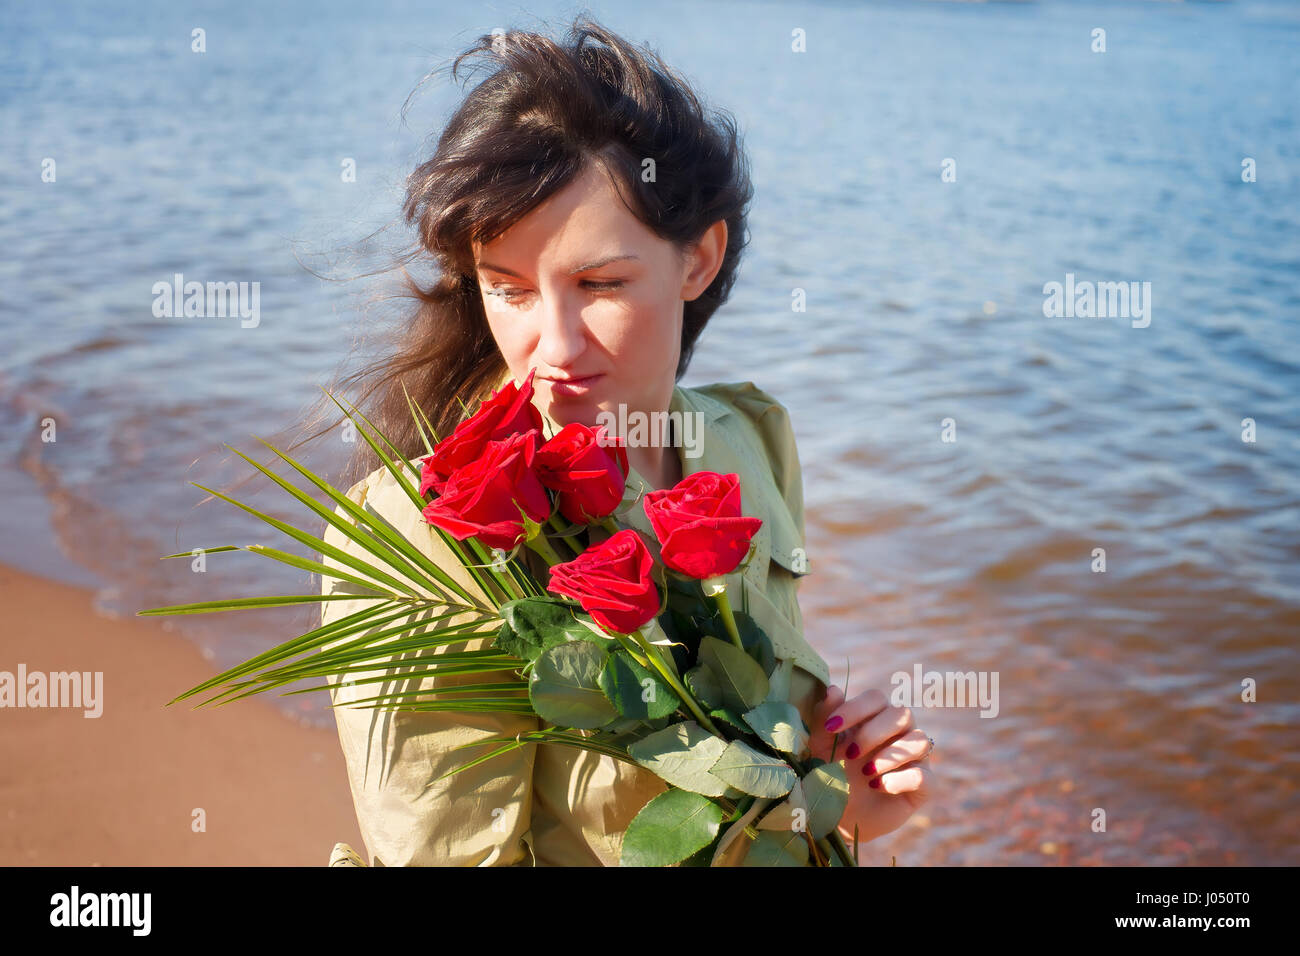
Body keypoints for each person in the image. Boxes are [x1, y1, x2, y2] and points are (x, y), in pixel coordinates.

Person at [316, 15, 932, 867]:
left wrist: (833, 798)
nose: (555, 350)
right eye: (510, 290)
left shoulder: (747, 437)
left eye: (598, 284)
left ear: (697, 259)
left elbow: (760, 744)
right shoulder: (422, 532)